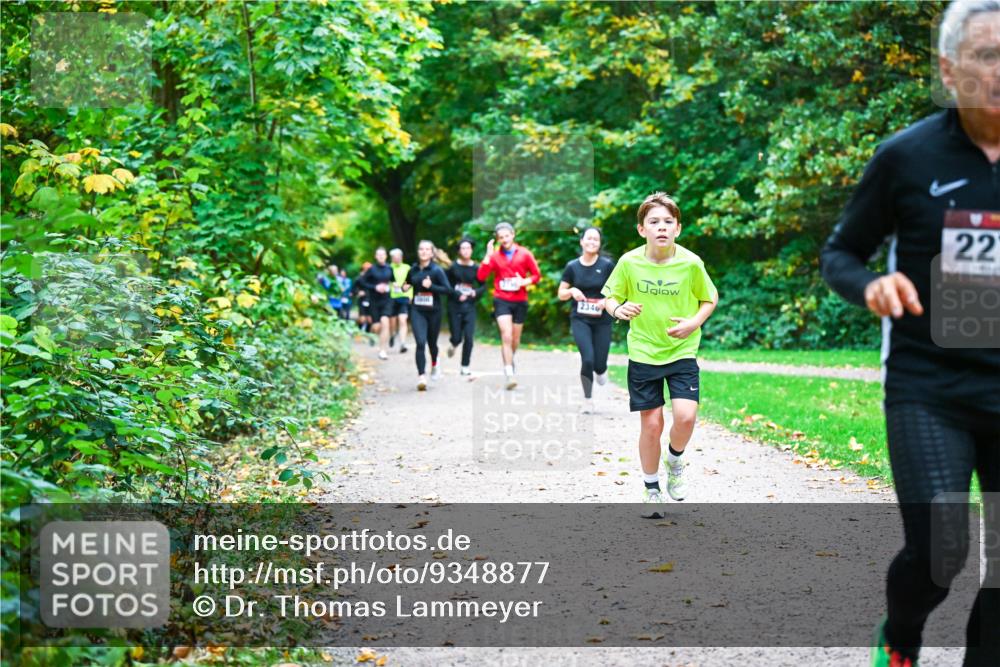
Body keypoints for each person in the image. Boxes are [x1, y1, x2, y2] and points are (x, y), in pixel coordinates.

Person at [821, 3, 1000, 665]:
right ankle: (900, 636)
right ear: (950, 70)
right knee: (941, 547)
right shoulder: (906, 157)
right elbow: (841, 253)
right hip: (931, 387)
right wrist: (869, 285)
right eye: (987, 55)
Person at [601, 192, 718, 513]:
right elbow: (610, 296)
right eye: (654, 222)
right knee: (651, 425)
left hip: (682, 351)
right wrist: (618, 309)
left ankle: (675, 461)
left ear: (678, 228)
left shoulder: (691, 263)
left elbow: (710, 298)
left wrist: (693, 322)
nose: (661, 227)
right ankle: (651, 488)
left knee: (686, 416)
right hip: (643, 353)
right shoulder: (629, 262)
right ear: (642, 229)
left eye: (668, 222)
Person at [476, 222, 541, 389]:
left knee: (515, 339)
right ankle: (509, 372)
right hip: (502, 299)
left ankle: (510, 362)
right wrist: (488, 255)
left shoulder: (525, 254)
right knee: (506, 335)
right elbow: (481, 277)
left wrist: (524, 281)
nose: (504, 239)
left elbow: (536, 275)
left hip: (520, 300)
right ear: (497, 239)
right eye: (501, 237)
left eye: (507, 236)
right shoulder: (495, 256)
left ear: (513, 235)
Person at [558, 227, 615, 414]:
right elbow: (561, 294)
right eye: (588, 238)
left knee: (599, 364)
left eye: (596, 239)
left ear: (599, 244)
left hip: (602, 319)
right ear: (581, 241)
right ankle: (587, 400)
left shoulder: (607, 265)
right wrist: (572, 291)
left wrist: (605, 301)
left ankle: (602, 369)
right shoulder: (572, 266)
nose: (592, 242)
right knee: (587, 359)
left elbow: (618, 292)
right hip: (580, 318)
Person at [405, 240, 452, 390]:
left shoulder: (437, 271)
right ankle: (421, 377)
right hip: (417, 310)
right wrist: (405, 287)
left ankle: (434, 363)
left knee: (432, 343)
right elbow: (407, 283)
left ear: (432, 253)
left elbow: (448, 290)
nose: (424, 252)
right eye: (421, 249)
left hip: (434, 311)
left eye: (427, 249)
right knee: (420, 342)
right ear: (418, 252)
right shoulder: (413, 269)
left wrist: (431, 286)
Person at [446, 238, 485, 376]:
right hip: (454, 306)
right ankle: (453, 344)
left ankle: (465, 366)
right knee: (457, 337)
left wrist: (475, 292)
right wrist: (457, 294)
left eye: (468, 248)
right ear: (459, 251)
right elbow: (446, 285)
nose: (466, 250)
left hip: (469, 305)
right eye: (463, 248)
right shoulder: (452, 268)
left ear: (472, 250)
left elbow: (483, 285)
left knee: (469, 337)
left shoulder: (476, 268)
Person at [360, 247, 394, 359]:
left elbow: (393, 281)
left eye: (383, 254)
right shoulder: (372, 270)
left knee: (385, 322)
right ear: (375, 256)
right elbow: (362, 282)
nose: (381, 256)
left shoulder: (390, 268)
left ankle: (383, 350)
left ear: (386, 256)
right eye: (378, 255)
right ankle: (372, 332)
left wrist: (391, 286)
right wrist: (375, 287)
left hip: (386, 299)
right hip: (374, 300)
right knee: (377, 326)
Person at [389, 248, 412, 353]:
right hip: (392, 298)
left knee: (403, 320)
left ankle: (403, 343)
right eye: (395, 257)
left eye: (399, 256)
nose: (397, 258)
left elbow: (412, 282)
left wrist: (411, 296)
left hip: (404, 297)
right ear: (392, 258)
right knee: (393, 322)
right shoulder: (388, 268)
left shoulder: (407, 268)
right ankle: (393, 334)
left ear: (401, 257)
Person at [354, 261, 373, 334]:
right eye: (366, 269)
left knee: (370, 319)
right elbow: (353, 289)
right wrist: (358, 292)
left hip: (371, 300)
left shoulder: (374, 279)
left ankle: (367, 333)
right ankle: (359, 331)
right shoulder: (359, 278)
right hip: (362, 300)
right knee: (362, 318)